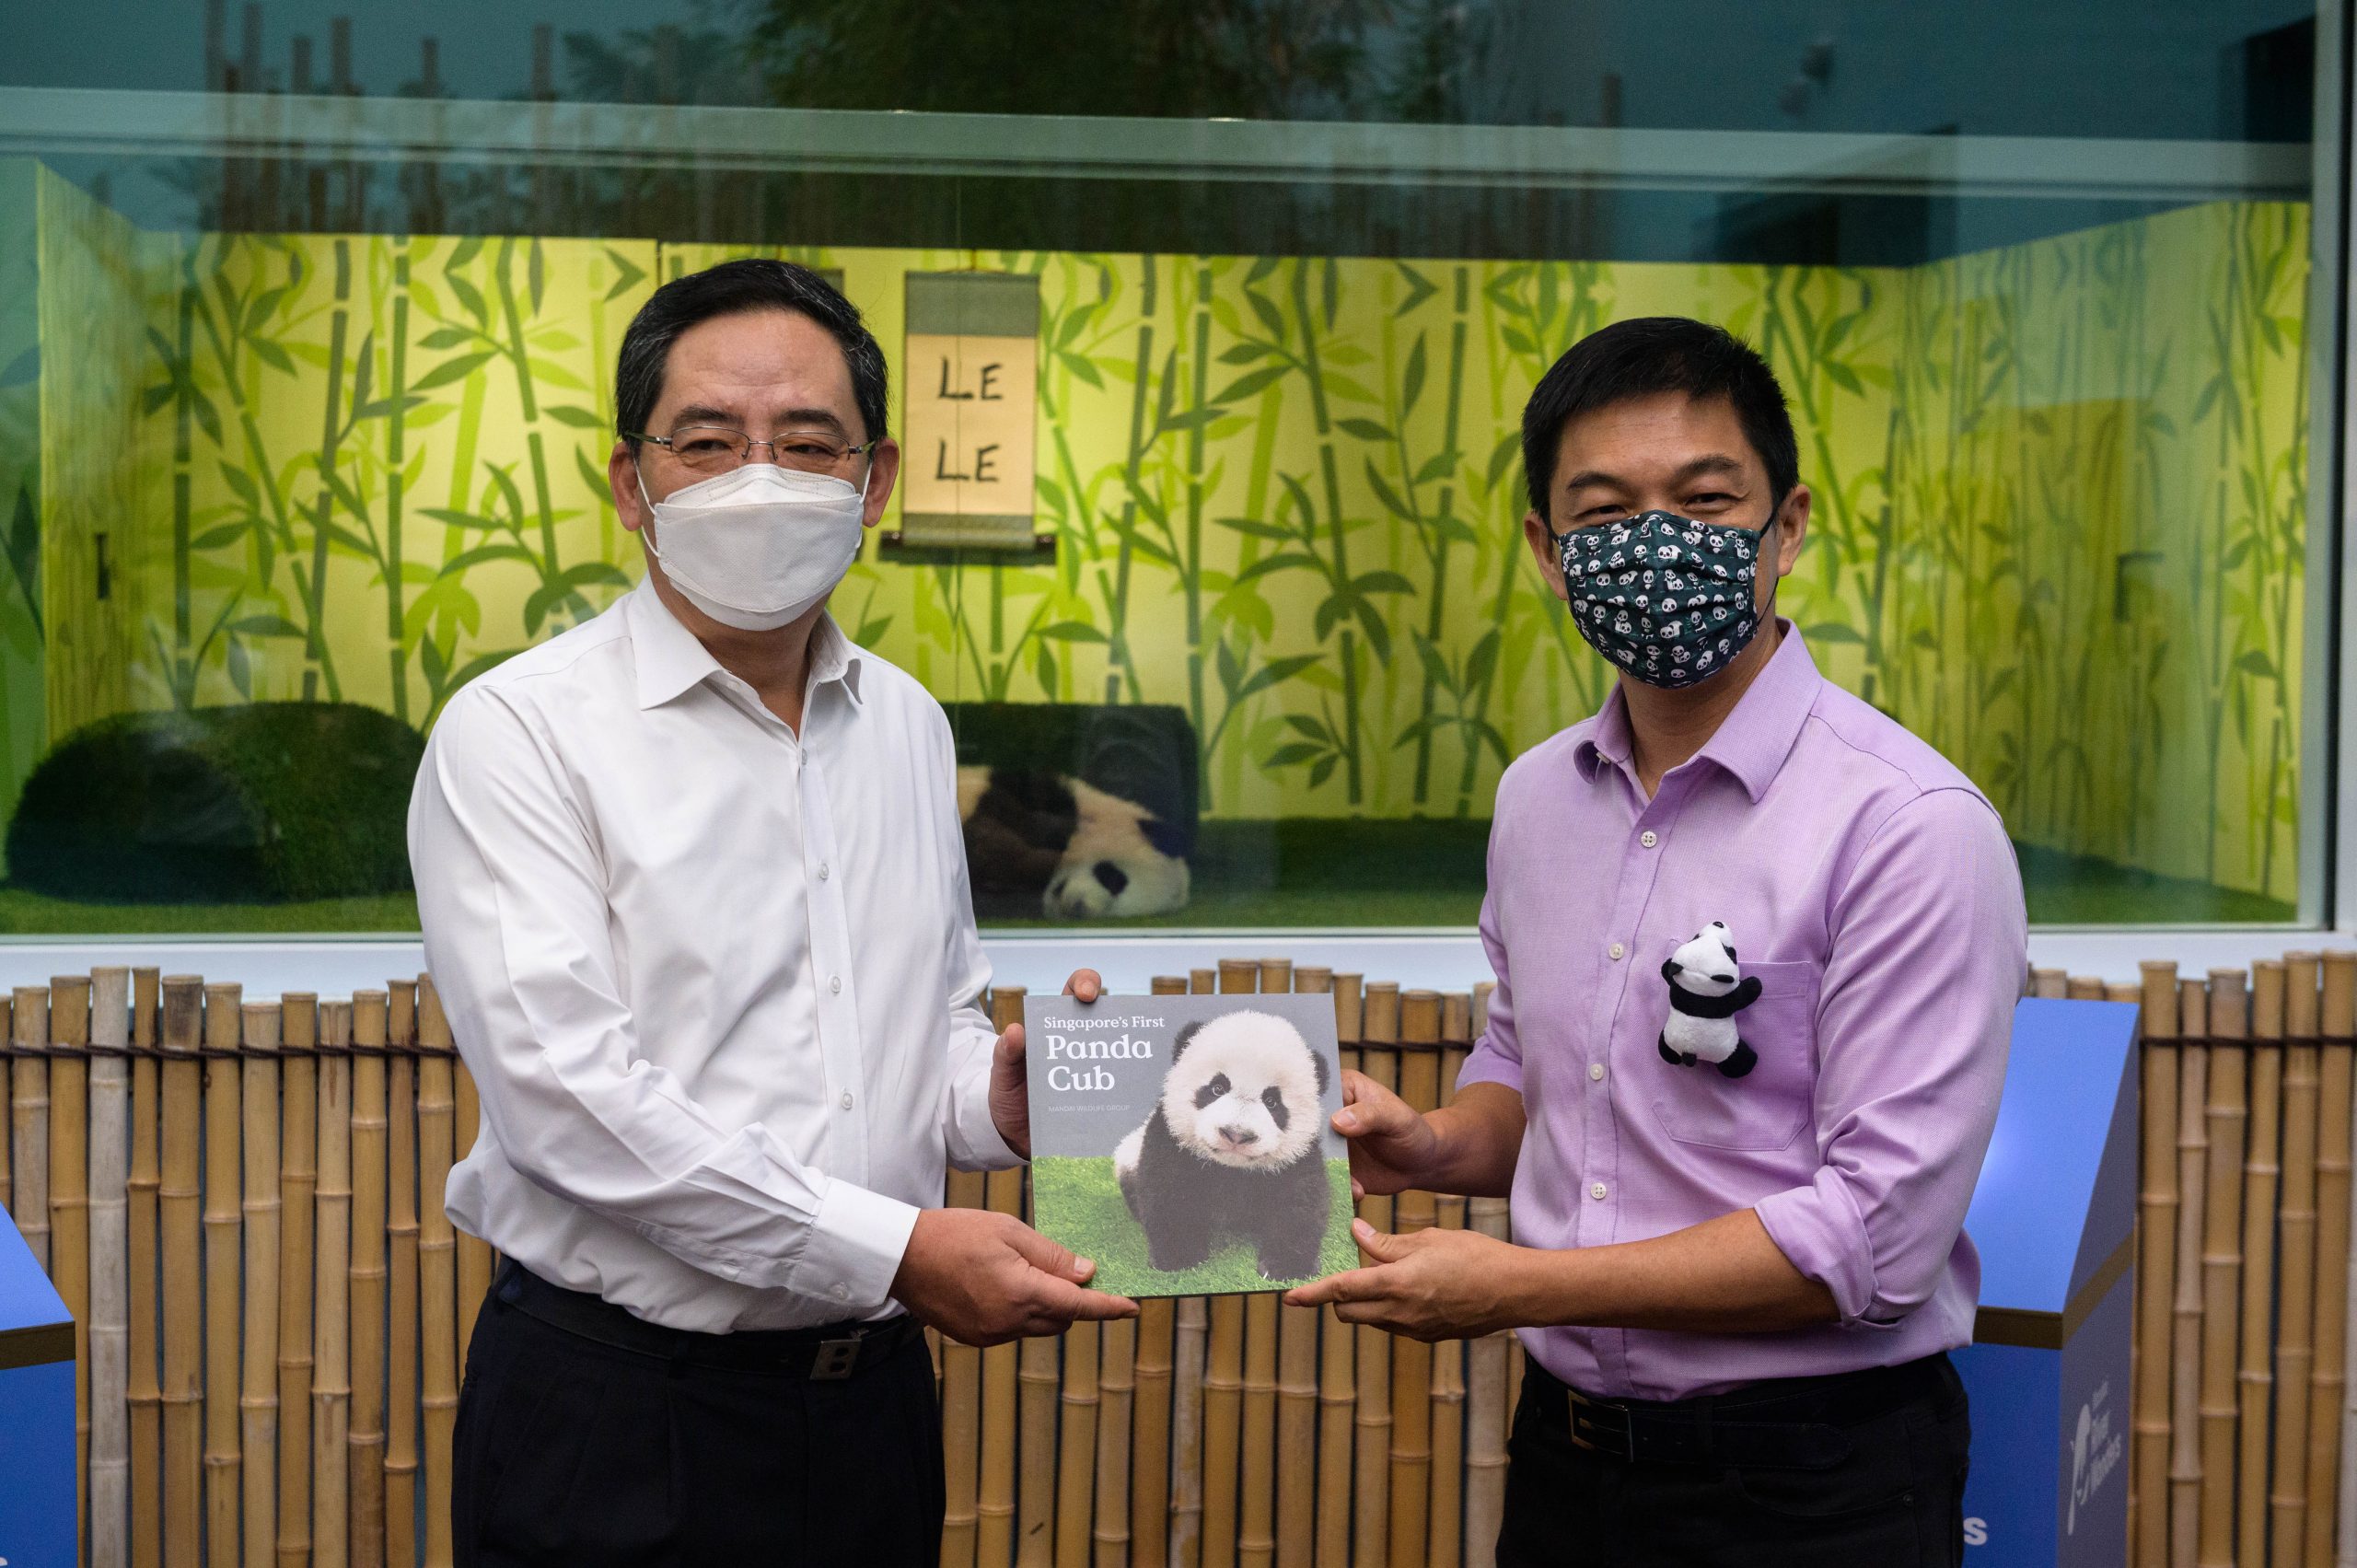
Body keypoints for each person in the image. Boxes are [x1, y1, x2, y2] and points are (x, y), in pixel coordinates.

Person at [409, 258, 1135, 1568]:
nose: (759, 479)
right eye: (706, 443)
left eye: (806, 445)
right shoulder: (518, 731)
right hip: (618, 1418)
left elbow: (930, 1019)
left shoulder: (906, 723)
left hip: (871, 1411)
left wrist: (994, 1102)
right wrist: (898, 1250)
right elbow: (568, 1100)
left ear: (875, 480)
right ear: (631, 483)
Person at [1288, 316, 2026, 1567]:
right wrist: (1434, 1145)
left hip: (1815, 1484)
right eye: (1606, 510)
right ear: (1548, 550)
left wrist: (1518, 1285)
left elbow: (1877, 1239)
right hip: (1568, 1460)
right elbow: (1534, 1070)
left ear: (1787, 526)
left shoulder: (1910, 825)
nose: (1656, 541)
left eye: (1704, 499)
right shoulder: (1537, 799)